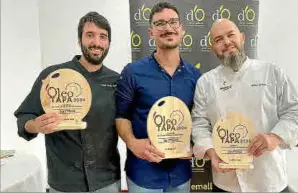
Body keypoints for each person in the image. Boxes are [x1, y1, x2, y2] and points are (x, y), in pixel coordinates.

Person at [191, 18, 298, 192]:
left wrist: (274, 137)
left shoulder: (272, 72)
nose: (226, 42)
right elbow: (199, 124)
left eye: (231, 35)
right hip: (225, 182)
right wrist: (210, 152)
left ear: (242, 37)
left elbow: (297, 111)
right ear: (213, 48)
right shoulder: (205, 82)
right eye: (218, 40)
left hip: (268, 178)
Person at [14, 12, 121, 192]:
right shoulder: (52, 77)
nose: (96, 42)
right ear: (79, 40)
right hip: (64, 182)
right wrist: (35, 125)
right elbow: (25, 116)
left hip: (107, 181)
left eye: (103, 37)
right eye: (90, 35)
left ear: (108, 42)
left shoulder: (117, 81)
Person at [115, 2, 201, 192]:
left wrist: (195, 144)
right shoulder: (133, 72)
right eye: (160, 23)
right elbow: (121, 116)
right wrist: (132, 142)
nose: (168, 28)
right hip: (143, 175)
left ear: (182, 29)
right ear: (151, 33)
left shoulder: (196, 77)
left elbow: (200, 119)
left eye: (173, 22)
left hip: (181, 176)